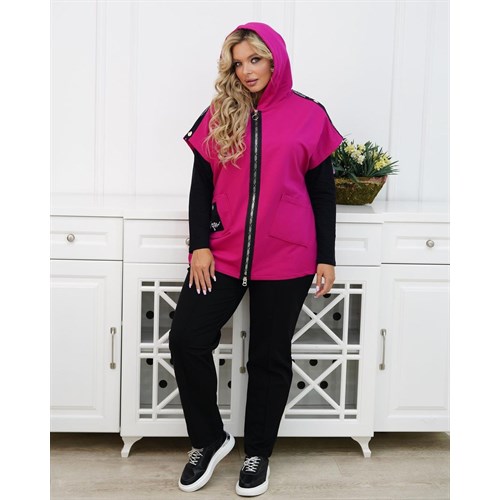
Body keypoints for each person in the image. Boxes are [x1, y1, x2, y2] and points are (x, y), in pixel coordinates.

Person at [169, 21, 344, 497]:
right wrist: (199, 245)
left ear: (275, 60)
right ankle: (210, 439)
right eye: (238, 63)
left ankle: (257, 453)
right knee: (186, 339)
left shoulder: (309, 114)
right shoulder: (221, 111)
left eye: (256, 59)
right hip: (223, 252)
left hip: (287, 254)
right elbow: (201, 185)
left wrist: (326, 255)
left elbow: (322, 192)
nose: (247, 71)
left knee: (269, 356)